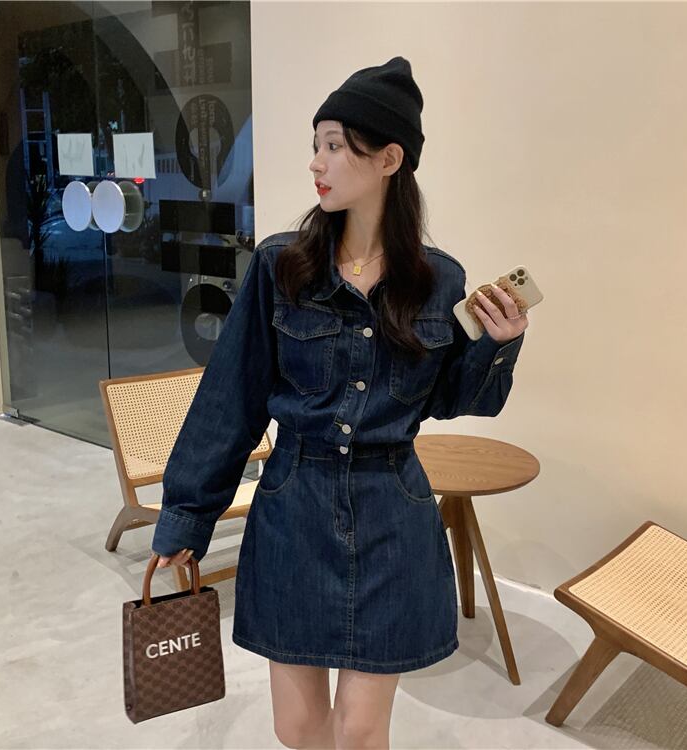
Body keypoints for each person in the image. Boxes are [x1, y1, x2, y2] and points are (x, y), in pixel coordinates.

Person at [152, 56, 528, 749]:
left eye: (334, 145)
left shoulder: (438, 279)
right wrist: (187, 514)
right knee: (297, 728)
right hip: (294, 506)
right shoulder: (281, 267)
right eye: (316, 144)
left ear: (389, 159)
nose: (316, 163)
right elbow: (230, 400)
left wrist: (497, 347)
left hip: (392, 513)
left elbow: (453, 399)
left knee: (358, 731)